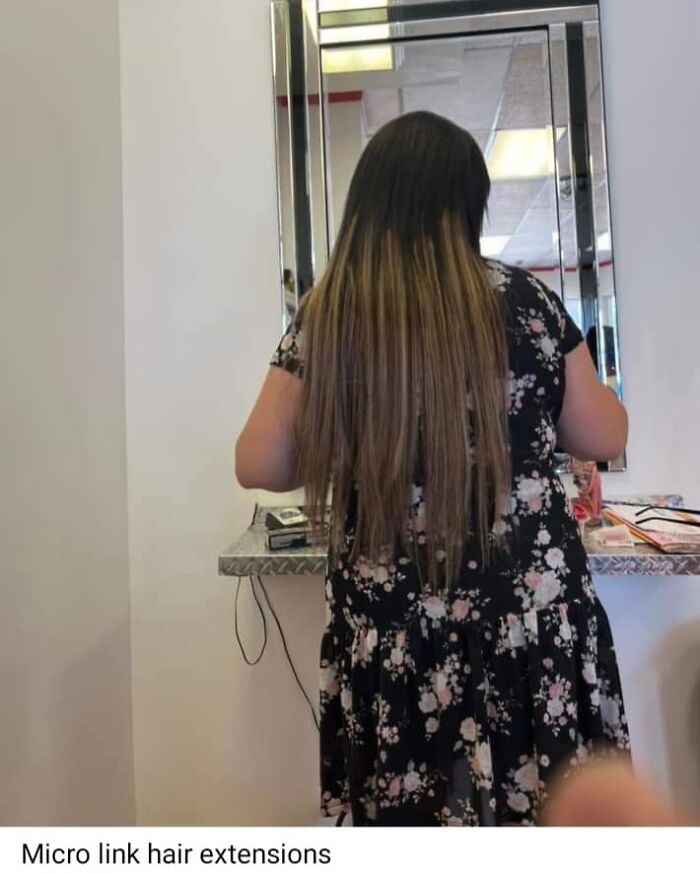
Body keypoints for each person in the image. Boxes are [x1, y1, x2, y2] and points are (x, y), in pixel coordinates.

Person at [236, 111, 630, 825]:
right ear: (467, 205)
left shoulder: (332, 316)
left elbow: (259, 461)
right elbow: (604, 429)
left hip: (396, 645)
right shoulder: (526, 302)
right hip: (527, 633)